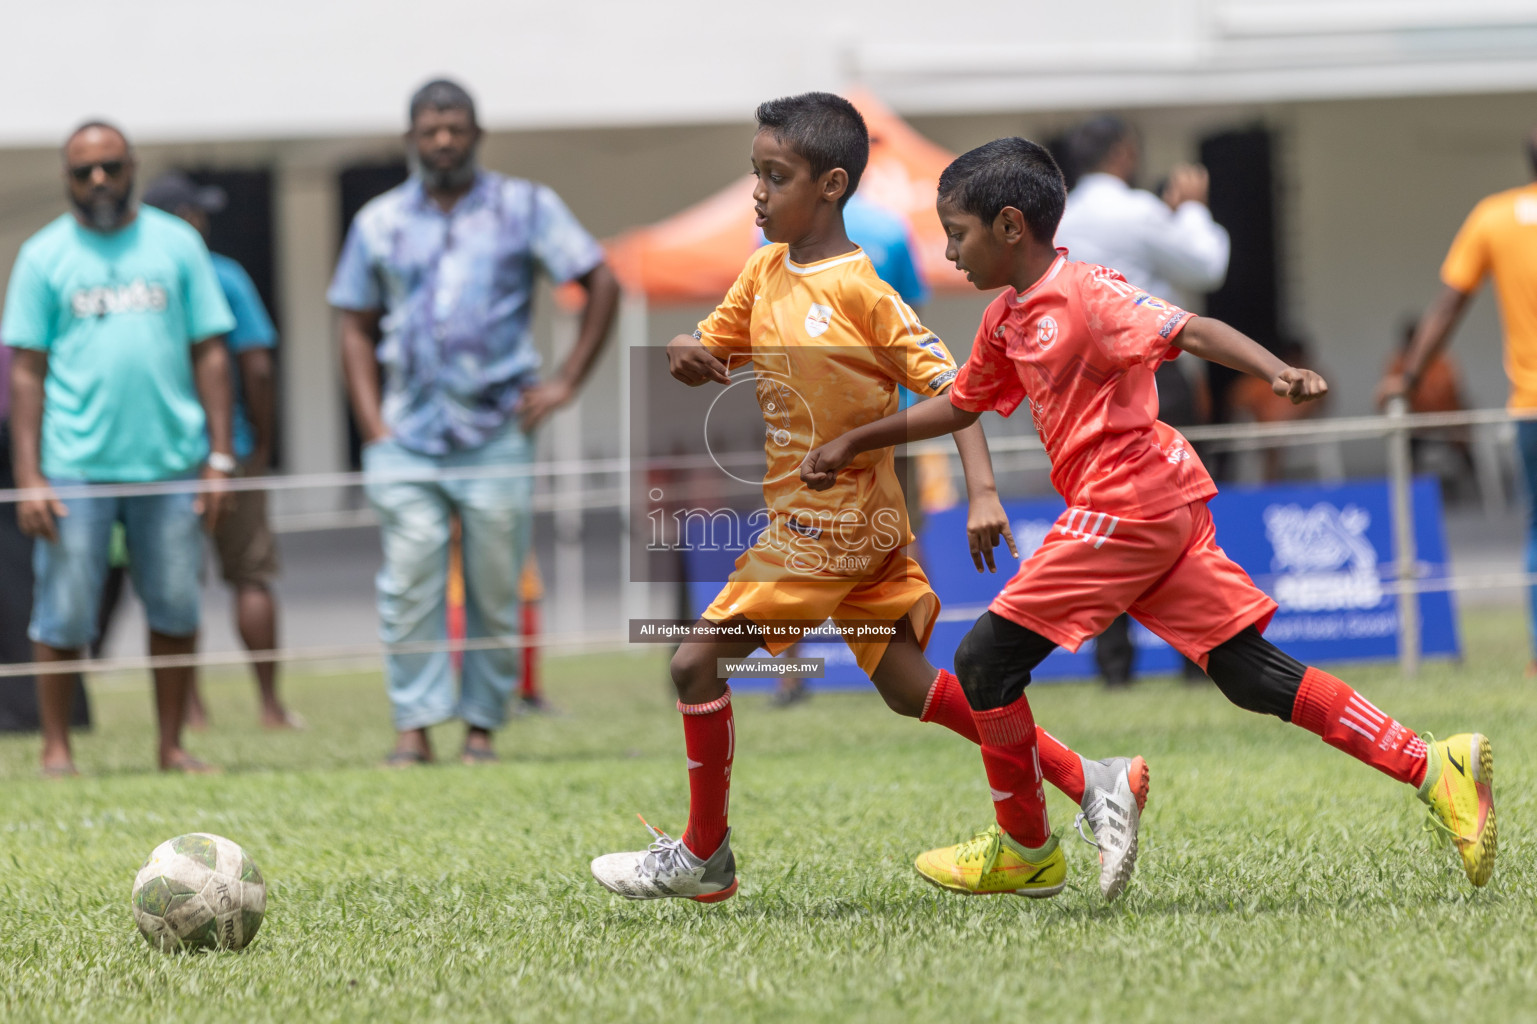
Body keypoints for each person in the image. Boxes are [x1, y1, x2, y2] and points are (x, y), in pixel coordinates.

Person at [801, 137, 1496, 894]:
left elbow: (1187, 328)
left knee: (981, 663)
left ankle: (1025, 848)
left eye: (956, 232)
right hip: (1150, 512)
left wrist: (1276, 370)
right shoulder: (1005, 318)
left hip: (1127, 503)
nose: (949, 250)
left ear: (1008, 227)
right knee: (1245, 674)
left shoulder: (1088, 293)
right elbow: (960, 404)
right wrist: (855, 441)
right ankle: (1433, 764)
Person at [590, 93, 1150, 906]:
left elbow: (956, 390)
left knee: (692, 660)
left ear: (831, 184)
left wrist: (981, 492)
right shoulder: (761, 271)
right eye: (755, 173)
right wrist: (687, 352)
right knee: (904, 686)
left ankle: (704, 855)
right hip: (836, 526)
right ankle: (1090, 778)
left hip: (835, 524)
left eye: (773, 176)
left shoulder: (863, 292)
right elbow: (709, 342)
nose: (756, 191)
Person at [329, 79, 621, 766]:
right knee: (407, 581)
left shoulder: (525, 207)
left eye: (455, 128)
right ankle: (413, 726)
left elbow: (599, 280)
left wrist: (566, 383)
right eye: (430, 129)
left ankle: (482, 726)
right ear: (411, 138)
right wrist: (372, 425)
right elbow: (352, 325)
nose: (443, 140)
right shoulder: (378, 220)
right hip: (405, 434)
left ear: (476, 134)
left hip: (497, 429)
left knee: (494, 584)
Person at [2, 121, 235, 776]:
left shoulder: (177, 244)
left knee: (175, 606)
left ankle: (171, 746)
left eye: (110, 166)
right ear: (67, 179)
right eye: (84, 171)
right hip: (74, 466)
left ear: (131, 166)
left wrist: (219, 459)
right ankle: (55, 748)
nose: (98, 180)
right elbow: (26, 369)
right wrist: (29, 474)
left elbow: (211, 348)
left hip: (169, 464)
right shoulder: (44, 255)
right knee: (64, 610)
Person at [1056, 115, 1230, 688]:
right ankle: (1197, 655)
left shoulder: (1059, 219)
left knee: (1099, 514)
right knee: (1179, 511)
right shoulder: (1136, 211)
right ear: (1125, 153)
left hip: (1080, 385)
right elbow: (1207, 265)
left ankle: (1114, 667)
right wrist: (1194, 209)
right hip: (1154, 373)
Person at [142, 171, 298, 730]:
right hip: (230, 453)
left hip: (165, 456)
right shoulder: (223, 275)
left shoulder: (142, 283)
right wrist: (259, 441)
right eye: (195, 213)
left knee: (173, 588)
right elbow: (256, 365)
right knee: (251, 575)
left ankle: (190, 708)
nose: (203, 222)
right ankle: (271, 706)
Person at [1380, 129, 1537, 667]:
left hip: (1530, 405)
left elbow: (1448, 305)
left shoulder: (1494, 217)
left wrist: (1409, 376)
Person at [769, 192, 930, 708]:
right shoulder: (891, 227)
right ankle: (913, 665)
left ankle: (793, 678)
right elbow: (912, 325)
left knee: (792, 540)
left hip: (806, 427)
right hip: (891, 421)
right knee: (900, 537)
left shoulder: (773, 235)